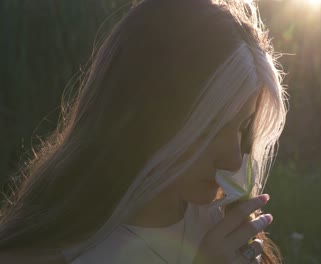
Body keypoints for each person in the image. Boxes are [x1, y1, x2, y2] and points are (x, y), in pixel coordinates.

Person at [0, 0, 288, 263]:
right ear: (143, 113)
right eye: (208, 127)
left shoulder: (221, 226)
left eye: (242, 127)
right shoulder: (39, 255)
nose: (234, 160)